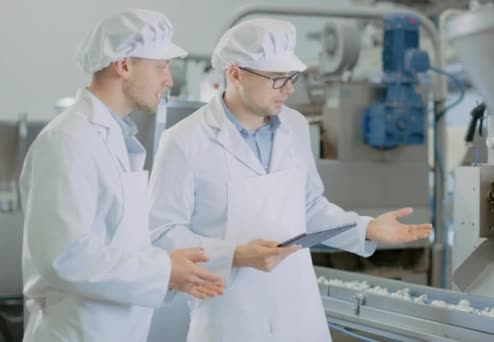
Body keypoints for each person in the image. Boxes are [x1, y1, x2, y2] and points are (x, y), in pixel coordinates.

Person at [149, 18, 433, 341]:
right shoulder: (184, 141)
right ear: (235, 73)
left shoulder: (295, 126)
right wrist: (235, 254)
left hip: (298, 311)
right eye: (277, 78)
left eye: (291, 76)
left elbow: (309, 207)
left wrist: (366, 227)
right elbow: (161, 234)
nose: (289, 88)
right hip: (229, 316)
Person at [19, 8, 223, 342]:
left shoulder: (114, 137)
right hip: (75, 332)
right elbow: (66, 256)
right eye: (161, 66)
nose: (168, 80)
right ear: (124, 65)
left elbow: (118, 244)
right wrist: (164, 269)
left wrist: (172, 270)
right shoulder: (67, 141)